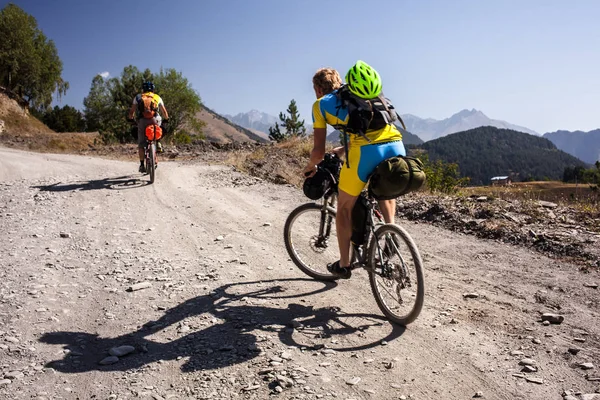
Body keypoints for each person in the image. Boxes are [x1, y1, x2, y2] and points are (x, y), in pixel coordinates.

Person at [303, 61, 406, 279]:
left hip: (365, 153)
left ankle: (344, 264)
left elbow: (318, 152)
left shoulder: (320, 104)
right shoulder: (359, 96)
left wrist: (310, 168)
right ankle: (390, 231)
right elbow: (366, 130)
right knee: (383, 189)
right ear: (339, 82)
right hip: (397, 145)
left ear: (318, 89)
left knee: (344, 207)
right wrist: (341, 150)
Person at [127, 81, 169, 173]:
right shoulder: (157, 97)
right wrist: (166, 119)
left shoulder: (138, 97)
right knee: (158, 130)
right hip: (155, 119)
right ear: (153, 89)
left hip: (142, 120)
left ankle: (142, 165)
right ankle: (157, 143)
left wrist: (131, 119)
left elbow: (131, 112)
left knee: (141, 144)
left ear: (143, 89)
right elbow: (165, 113)